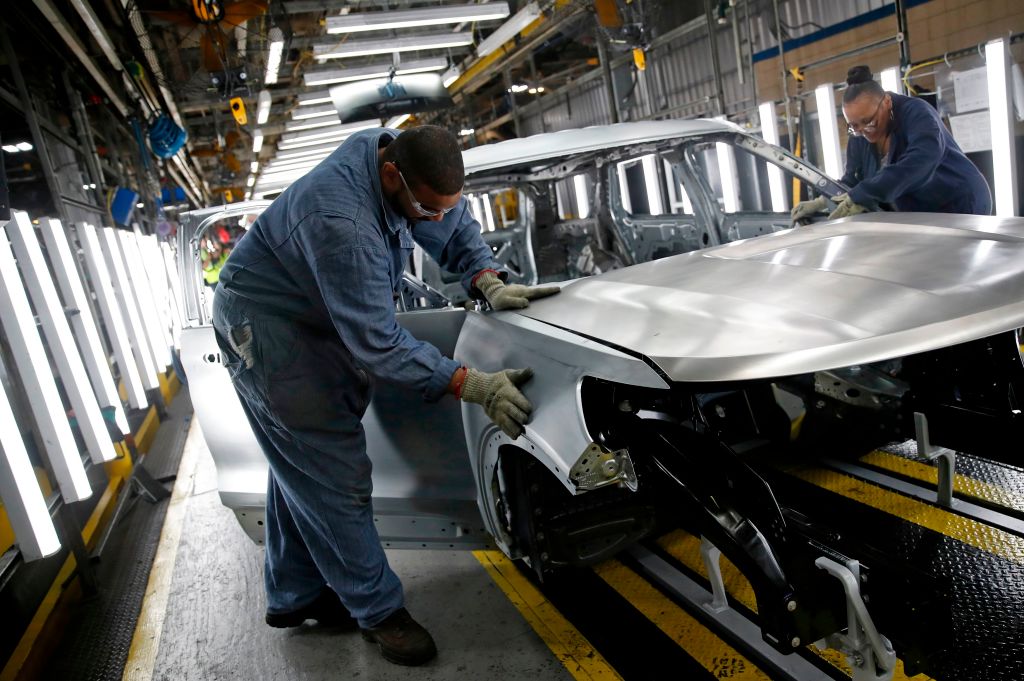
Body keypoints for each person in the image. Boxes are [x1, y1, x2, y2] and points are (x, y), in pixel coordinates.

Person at [211, 125, 559, 666]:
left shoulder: (395, 155)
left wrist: (483, 275)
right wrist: (471, 383)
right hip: (269, 328)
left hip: (309, 309)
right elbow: (378, 343)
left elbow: (450, 216)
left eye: (447, 206)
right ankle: (378, 612)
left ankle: (295, 593)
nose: (437, 219)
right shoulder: (342, 224)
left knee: (301, 462)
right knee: (332, 471)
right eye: (427, 209)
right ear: (392, 176)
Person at [792, 65, 992, 223]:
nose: (864, 131)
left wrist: (865, 194)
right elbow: (853, 181)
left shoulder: (916, 112)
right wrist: (823, 201)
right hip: (920, 213)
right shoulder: (860, 133)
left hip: (960, 203)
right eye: (854, 126)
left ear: (886, 101)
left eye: (869, 121)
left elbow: (922, 159)